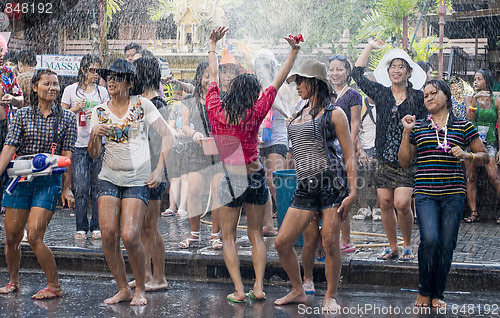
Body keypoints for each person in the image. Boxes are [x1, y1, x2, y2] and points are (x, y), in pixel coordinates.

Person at [206, 26, 299, 303]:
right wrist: (293, 53)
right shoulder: (256, 111)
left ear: (232, 91)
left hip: (232, 178)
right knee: (257, 233)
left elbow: (212, 74)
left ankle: (238, 289)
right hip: (256, 175)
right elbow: (277, 82)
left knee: (228, 236)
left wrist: (212, 45)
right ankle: (258, 287)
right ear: (251, 95)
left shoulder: (215, 109)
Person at [274, 58, 357, 311]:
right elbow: (296, 153)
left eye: (301, 81)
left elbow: (349, 155)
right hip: (304, 188)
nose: (297, 86)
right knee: (281, 242)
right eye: (296, 81)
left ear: (315, 83)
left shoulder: (335, 114)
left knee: (330, 241)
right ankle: (298, 289)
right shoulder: (297, 115)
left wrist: (353, 192)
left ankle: (330, 296)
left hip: (330, 186)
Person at [89, 59, 173, 305]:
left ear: (130, 82)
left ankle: (141, 289)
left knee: (130, 235)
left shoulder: (142, 105)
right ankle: (123, 288)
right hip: (108, 176)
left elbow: (168, 135)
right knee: (108, 234)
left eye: (117, 77)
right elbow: (94, 153)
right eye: (109, 77)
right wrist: (95, 135)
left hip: (137, 178)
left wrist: (159, 170)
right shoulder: (99, 111)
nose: (111, 81)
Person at [399, 79, 488, 308]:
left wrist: (468, 156)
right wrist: (406, 133)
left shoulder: (463, 127)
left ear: (446, 96)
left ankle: (438, 292)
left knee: (447, 244)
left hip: (453, 194)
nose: (428, 97)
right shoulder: (418, 127)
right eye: (425, 95)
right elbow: (404, 161)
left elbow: (485, 156)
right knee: (430, 240)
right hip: (426, 193)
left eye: (433, 93)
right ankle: (423, 289)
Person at [0, 69, 77, 299]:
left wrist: (66, 187)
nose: (52, 88)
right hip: (20, 179)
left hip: (48, 181)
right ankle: (13, 281)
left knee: (34, 235)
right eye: (47, 84)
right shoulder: (22, 116)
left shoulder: (68, 118)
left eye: (55, 84)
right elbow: (9, 148)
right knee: (12, 236)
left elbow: (67, 157)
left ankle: (54, 286)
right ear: (35, 87)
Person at [353, 38, 427, 261]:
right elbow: (357, 75)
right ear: (388, 71)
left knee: (402, 203)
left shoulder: (418, 98)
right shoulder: (382, 94)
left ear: (409, 72)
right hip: (382, 157)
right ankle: (392, 246)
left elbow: (428, 121)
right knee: (385, 203)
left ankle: (407, 245)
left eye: (401, 66)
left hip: (407, 159)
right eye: (393, 66)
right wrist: (369, 47)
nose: (397, 70)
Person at [61, 54, 109, 240]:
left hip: (98, 143)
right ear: (83, 70)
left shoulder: (102, 92)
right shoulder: (71, 90)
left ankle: (96, 225)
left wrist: (96, 114)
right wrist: (75, 109)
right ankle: (81, 226)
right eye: (92, 70)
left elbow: (107, 114)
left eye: (98, 70)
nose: (95, 74)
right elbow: (61, 115)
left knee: (97, 186)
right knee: (81, 186)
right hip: (78, 143)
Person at [178, 61, 223, 250]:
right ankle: (194, 234)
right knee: (194, 191)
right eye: (206, 76)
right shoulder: (190, 100)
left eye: (212, 76)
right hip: (197, 149)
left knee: (217, 193)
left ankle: (215, 235)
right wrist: (193, 134)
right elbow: (185, 125)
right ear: (199, 78)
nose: (209, 79)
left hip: (219, 151)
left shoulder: (221, 99)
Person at [253, 48, 294, 236]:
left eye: (265, 65)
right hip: (259, 137)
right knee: (262, 181)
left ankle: (288, 221)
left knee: (274, 180)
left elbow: (289, 111)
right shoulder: (254, 87)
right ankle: (269, 224)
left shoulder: (281, 87)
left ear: (271, 67)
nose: (261, 69)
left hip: (277, 136)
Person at [327, 54, 362, 253]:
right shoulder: (327, 93)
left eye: (339, 69)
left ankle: (346, 240)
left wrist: (352, 144)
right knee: (329, 193)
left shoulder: (352, 95)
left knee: (343, 193)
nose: (335, 73)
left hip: (343, 147)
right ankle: (330, 235)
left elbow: (355, 122)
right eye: (331, 69)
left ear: (347, 72)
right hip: (327, 148)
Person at [463, 69, 500, 223]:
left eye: (479, 78)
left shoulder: (496, 100)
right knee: (471, 177)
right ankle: (473, 212)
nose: (475, 81)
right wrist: (473, 102)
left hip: (490, 142)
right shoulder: (470, 98)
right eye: (474, 79)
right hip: (473, 142)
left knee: (494, 176)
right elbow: (469, 118)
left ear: (487, 80)